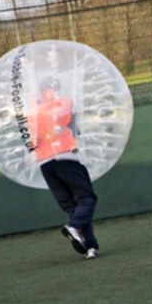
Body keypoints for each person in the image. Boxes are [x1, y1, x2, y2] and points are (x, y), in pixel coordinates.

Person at [27, 77, 100, 259]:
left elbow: (31, 136)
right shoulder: (65, 103)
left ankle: (89, 246)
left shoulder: (33, 111)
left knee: (72, 206)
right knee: (86, 197)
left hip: (45, 163)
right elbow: (76, 127)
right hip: (66, 156)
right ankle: (75, 228)